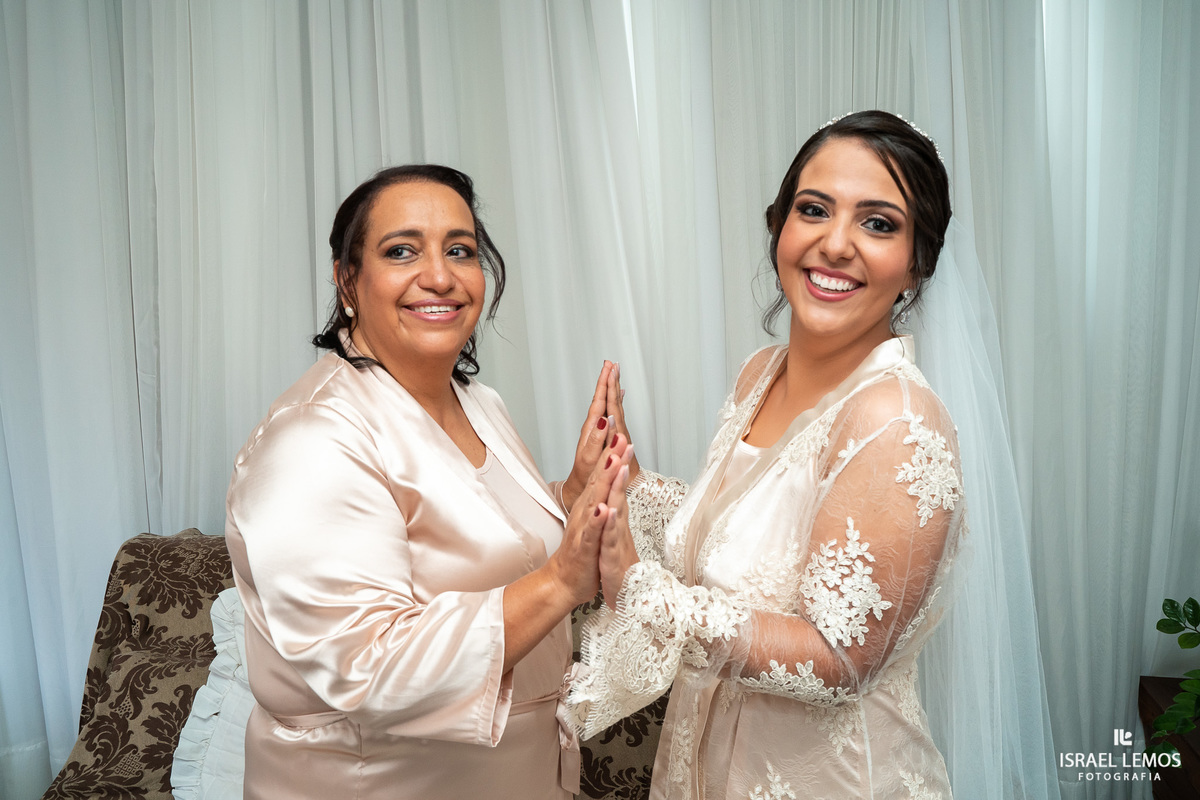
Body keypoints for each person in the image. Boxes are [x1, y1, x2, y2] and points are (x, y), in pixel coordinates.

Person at [567, 111, 965, 799]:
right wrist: (633, 486)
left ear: (917, 264)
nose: (836, 244)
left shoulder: (895, 421)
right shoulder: (762, 373)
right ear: (779, 225)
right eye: (814, 210)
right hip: (705, 766)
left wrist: (641, 589)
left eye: (878, 223)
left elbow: (839, 662)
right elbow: (743, 547)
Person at [224, 164, 634, 799]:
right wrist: (560, 582)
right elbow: (367, 666)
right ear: (346, 278)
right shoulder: (311, 441)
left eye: (460, 250)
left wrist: (574, 494)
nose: (440, 276)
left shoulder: (479, 402)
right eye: (401, 251)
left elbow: (479, 547)